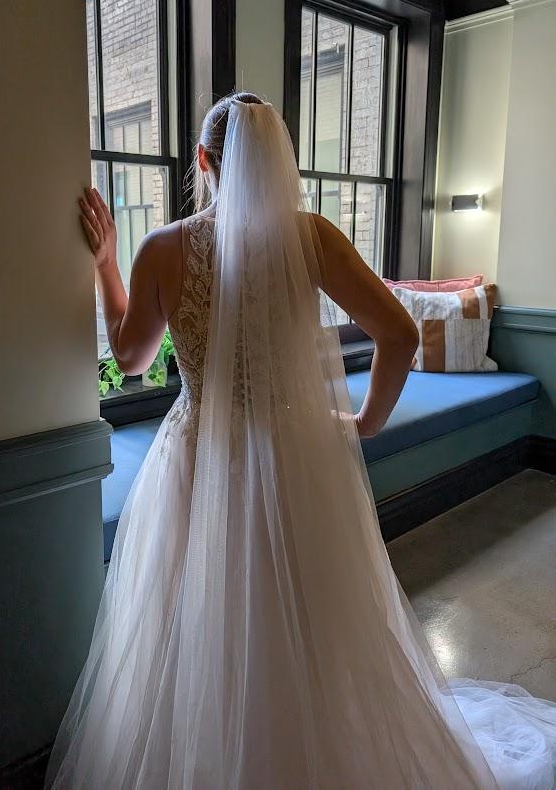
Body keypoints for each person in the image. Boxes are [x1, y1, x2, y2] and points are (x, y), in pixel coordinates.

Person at [46, 94, 556, 789]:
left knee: (193, 626)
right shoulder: (310, 238)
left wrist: (105, 264)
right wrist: (367, 422)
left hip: (196, 457)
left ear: (203, 162)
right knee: (300, 621)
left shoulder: (162, 248)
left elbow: (131, 358)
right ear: (276, 158)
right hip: (288, 454)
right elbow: (399, 334)